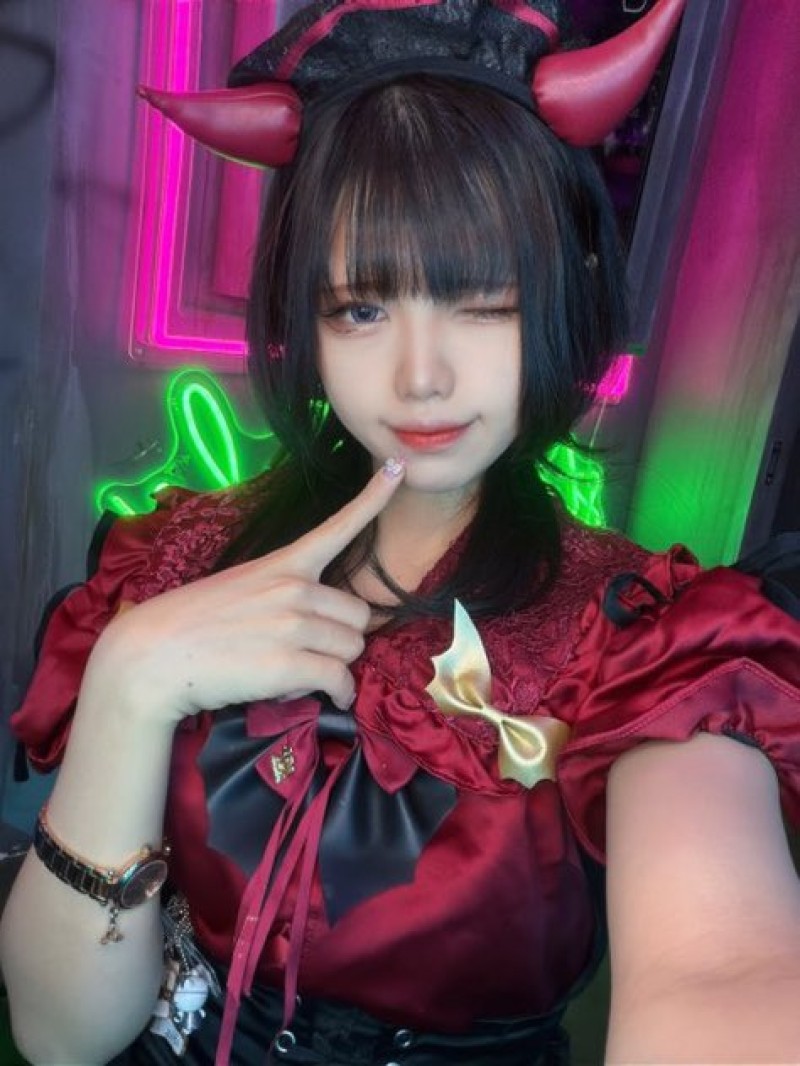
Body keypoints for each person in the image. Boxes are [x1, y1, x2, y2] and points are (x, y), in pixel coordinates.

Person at [2, 0, 800, 1063]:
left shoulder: (644, 640)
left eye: (484, 302)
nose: (420, 377)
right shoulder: (171, 569)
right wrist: (130, 680)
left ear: (562, 299)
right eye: (361, 309)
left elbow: (722, 970)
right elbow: (59, 1039)